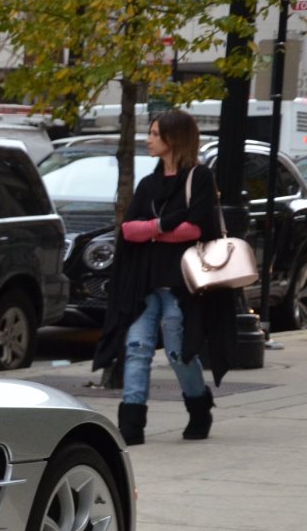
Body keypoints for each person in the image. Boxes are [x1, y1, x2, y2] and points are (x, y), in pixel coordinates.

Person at [91, 109, 235, 445]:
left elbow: (195, 228)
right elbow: (128, 228)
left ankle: (199, 408)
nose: (149, 140)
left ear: (173, 138)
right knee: (137, 346)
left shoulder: (198, 177)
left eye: (155, 134)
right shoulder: (148, 183)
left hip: (181, 282)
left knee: (176, 351)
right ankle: (131, 424)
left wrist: (152, 230)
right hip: (144, 281)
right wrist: (163, 226)